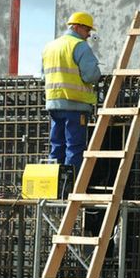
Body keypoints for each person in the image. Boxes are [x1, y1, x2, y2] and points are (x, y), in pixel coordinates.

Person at [42, 11, 102, 174]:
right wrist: (98, 73)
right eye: (87, 29)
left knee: (57, 146)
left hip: (54, 104)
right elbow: (91, 75)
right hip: (75, 105)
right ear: (76, 27)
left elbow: (44, 75)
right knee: (74, 147)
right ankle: (70, 186)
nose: (89, 34)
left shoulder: (50, 46)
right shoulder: (79, 46)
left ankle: (54, 186)